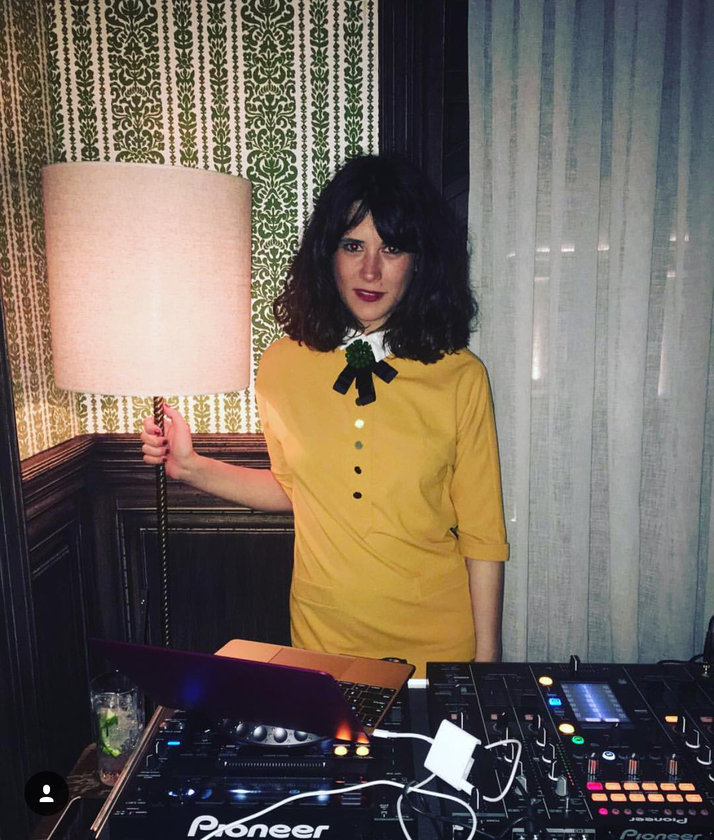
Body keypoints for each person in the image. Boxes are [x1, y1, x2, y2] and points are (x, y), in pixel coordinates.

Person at [141, 154, 509, 676]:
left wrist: (486, 666)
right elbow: (298, 491)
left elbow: (483, 535)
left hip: (438, 646)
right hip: (323, 642)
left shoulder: (460, 376)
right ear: (327, 252)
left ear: (420, 261)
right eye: (353, 245)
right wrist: (190, 467)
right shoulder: (281, 365)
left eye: (392, 248)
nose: (370, 270)